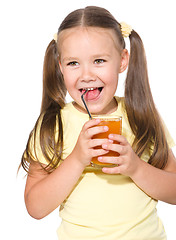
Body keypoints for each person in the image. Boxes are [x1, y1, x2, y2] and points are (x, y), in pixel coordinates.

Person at [21, 6, 176, 240]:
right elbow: (35, 207)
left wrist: (135, 166)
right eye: (73, 63)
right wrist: (77, 159)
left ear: (122, 61)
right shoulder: (53, 124)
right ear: (61, 67)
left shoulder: (141, 115)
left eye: (99, 60)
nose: (86, 75)